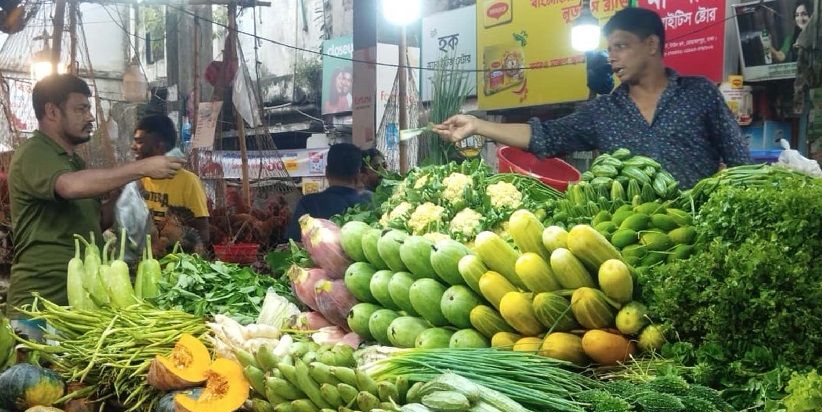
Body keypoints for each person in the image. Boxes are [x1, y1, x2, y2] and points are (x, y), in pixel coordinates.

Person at [434, 7, 750, 189]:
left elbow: (740, 163)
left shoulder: (699, 94)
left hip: (699, 237)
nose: (612, 57)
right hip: (630, 246)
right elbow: (545, 136)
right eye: (609, 49)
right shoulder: (604, 111)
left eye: (621, 46)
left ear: (651, 45)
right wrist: (477, 125)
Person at [7, 74, 182, 326]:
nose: (90, 117)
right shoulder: (34, 151)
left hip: (79, 305)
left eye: (89, 109)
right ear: (52, 111)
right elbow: (69, 187)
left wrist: (124, 191)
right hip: (40, 305)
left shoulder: (74, 162)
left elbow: (95, 222)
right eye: (81, 109)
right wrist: (141, 168)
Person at [132, 114, 210, 246]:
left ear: (159, 146)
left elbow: (203, 234)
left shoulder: (188, 181)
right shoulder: (136, 180)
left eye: (140, 142)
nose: (133, 146)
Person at [286, 143, 370, 242]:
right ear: (358, 173)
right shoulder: (370, 201)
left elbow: (293, 243)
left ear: (326, 172)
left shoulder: (308, 203)